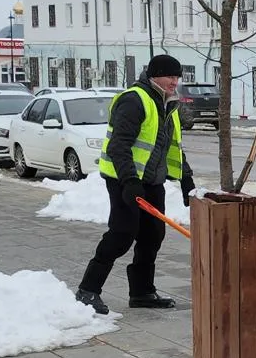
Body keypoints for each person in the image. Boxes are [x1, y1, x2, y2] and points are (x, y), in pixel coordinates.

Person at [76, 54, 195, 313]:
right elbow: (118, 145)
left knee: (152, 236)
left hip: (151, 182)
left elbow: (172, 148)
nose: (174, 82)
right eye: (170, 76)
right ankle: (88, 290)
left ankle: (142, 292)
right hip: (124, 180)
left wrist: (187, 179)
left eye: (177, 77)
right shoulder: (134, 100)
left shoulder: (168, 105)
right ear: (155, 76)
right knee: (122, 234)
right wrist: (129, 181)